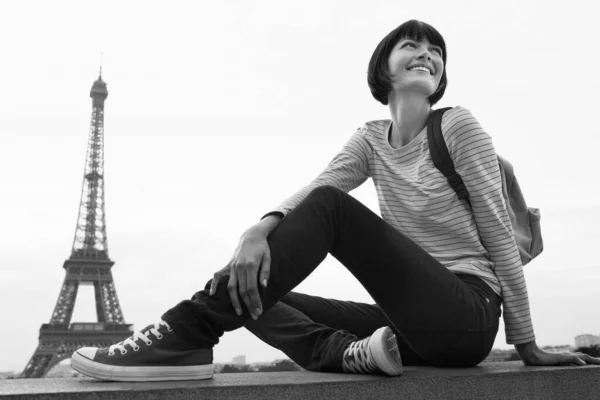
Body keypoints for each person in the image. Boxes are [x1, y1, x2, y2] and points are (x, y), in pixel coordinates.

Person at [71, 20, 600, 382]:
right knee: (251, 289)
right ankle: (348, 354)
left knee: (329, 208)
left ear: (441, 77)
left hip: (468, 312)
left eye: (436, 52)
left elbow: (497, 235)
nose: (427, 54)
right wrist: (256, 230)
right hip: (410, 320)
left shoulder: (458, 125)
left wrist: (526, 343)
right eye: (411, 46)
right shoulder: (369, 139)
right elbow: (319, 183)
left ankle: (188, 329)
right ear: (384, 71)